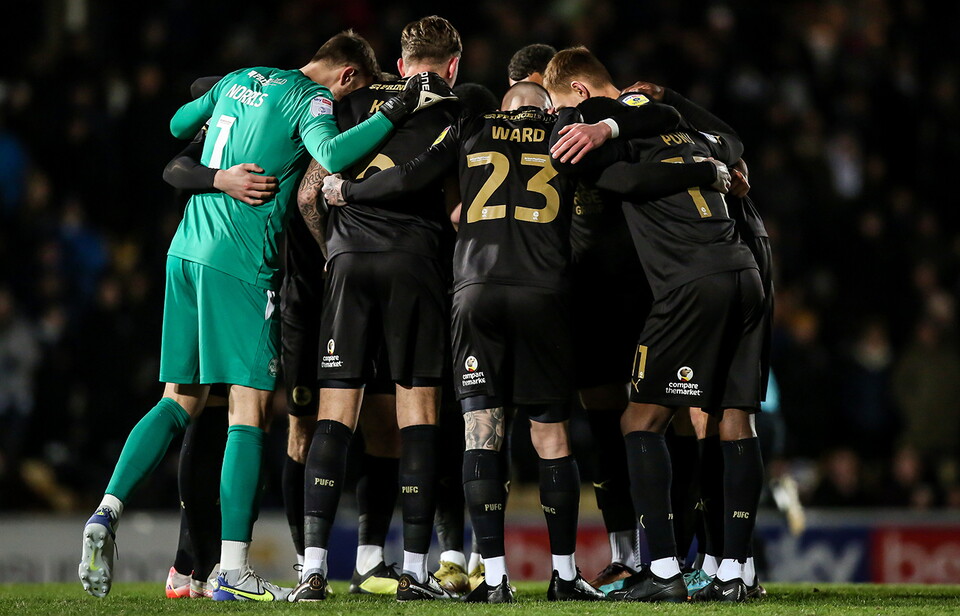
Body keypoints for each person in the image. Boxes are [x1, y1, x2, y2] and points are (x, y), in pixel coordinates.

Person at [78, 30, 450, 601]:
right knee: (248, 412)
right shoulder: (312, 98)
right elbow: (331, 157)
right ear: (348, 75)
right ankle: (231, 568)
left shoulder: (238, 78)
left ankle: (106, 509)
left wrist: (216, 164)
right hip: (241, 262)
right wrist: (396, 111)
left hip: (185, 250)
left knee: (178, 400)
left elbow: (179, 127)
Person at [324, 79, 719, 602]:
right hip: (544, 291)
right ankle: (564, 574)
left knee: (479, 433)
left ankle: (492, 579)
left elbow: (417, 179)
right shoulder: (564, 134)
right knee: (551, 438)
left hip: (476, 291)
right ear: (546, 109)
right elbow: (648, 140)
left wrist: (346, 191)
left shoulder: (470, 129)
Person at [545, 47, 765, 603]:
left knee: (639, 424)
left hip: (689, 284)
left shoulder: (611, 135)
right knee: (733, 420)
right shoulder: (687, 133)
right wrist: (705, 164)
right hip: (744, 271)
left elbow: (617, 176)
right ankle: (733, 573)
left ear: (576, 94)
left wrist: (603, 128)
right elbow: (729, 142)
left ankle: (663, 570)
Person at [290, 15, 462, 603]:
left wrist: (330, 252)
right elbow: (451, 200)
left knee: (337, 415)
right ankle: (413, 568)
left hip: (348, 263)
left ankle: (312, 570)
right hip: (413, 262)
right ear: (453, 66)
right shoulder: (454, 109)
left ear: (402, 61)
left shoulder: (353, 101)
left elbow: (310, 192)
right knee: (417, 413)